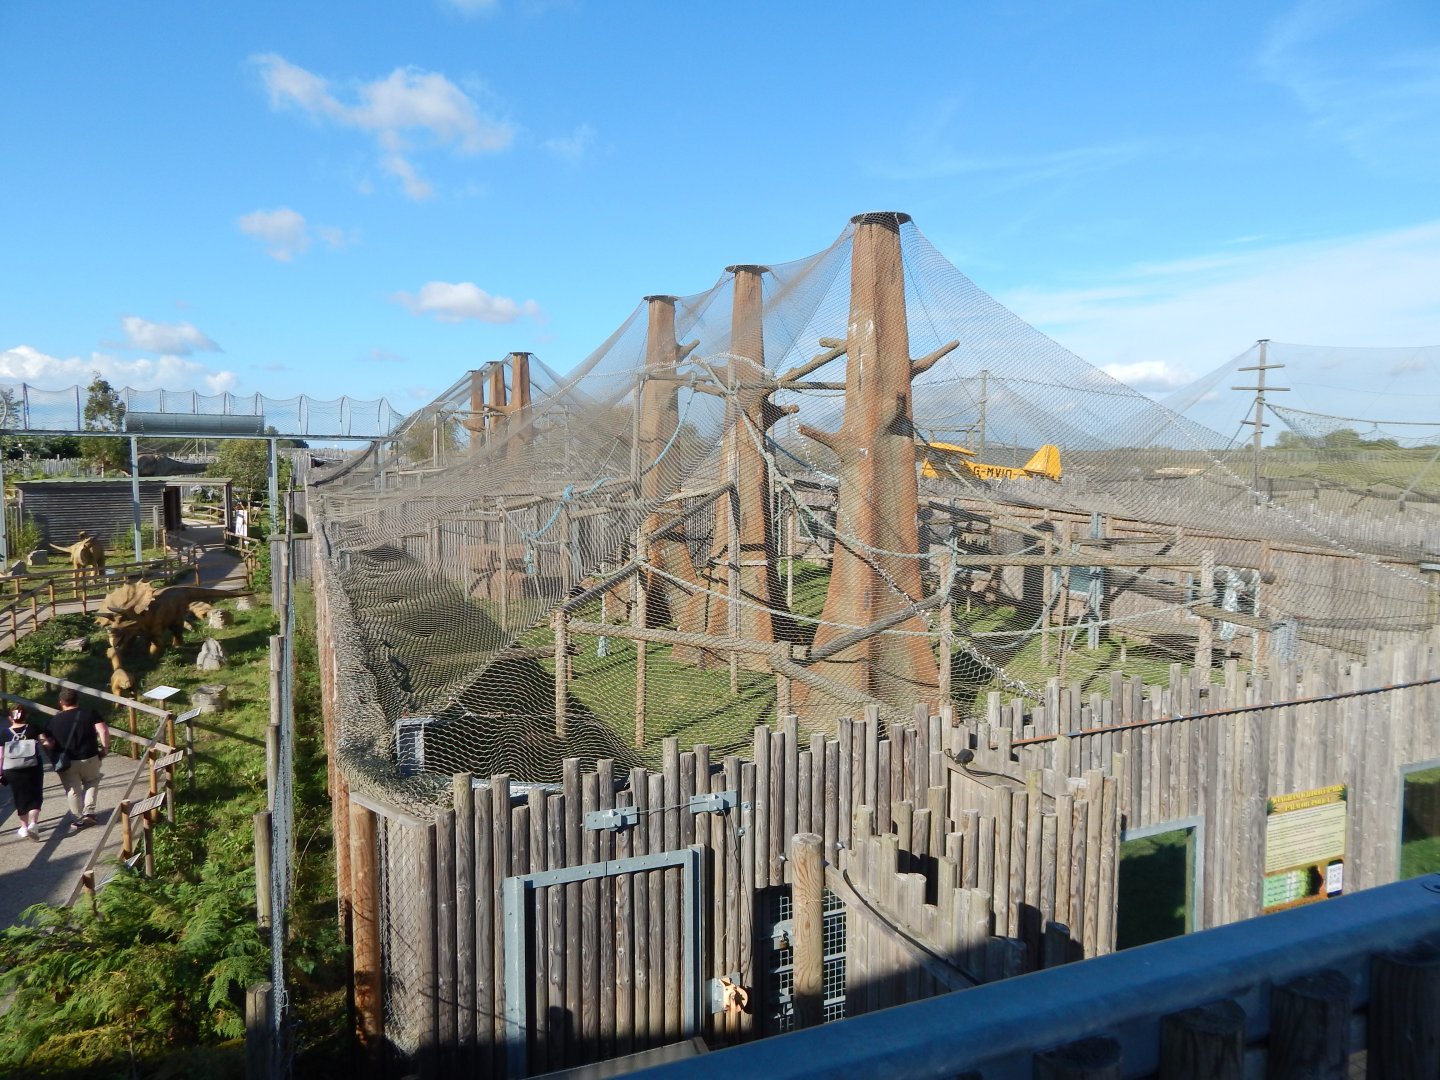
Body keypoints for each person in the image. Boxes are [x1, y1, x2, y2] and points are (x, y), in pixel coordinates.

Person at [47, 688, 110, 832]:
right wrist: (104, 749)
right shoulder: (90, 713)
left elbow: (49, 743)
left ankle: (78, 819)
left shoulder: (53, 721)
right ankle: (89, 812)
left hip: (67, 762)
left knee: (73, 791)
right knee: (92, 781)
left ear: (61, 702)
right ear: (77, 700)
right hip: (90, 757)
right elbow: (103, 730)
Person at [1, 705, 45, 840]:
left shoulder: (3, 733)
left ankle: (24, 827)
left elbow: (1, 756)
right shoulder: (33, 728)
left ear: (10, 718)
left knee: (19, 796)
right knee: (35, 795)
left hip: (12, 770)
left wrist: (1, 773)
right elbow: (44, 742)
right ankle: (33, 823)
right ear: (26, 716)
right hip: (33, 767)